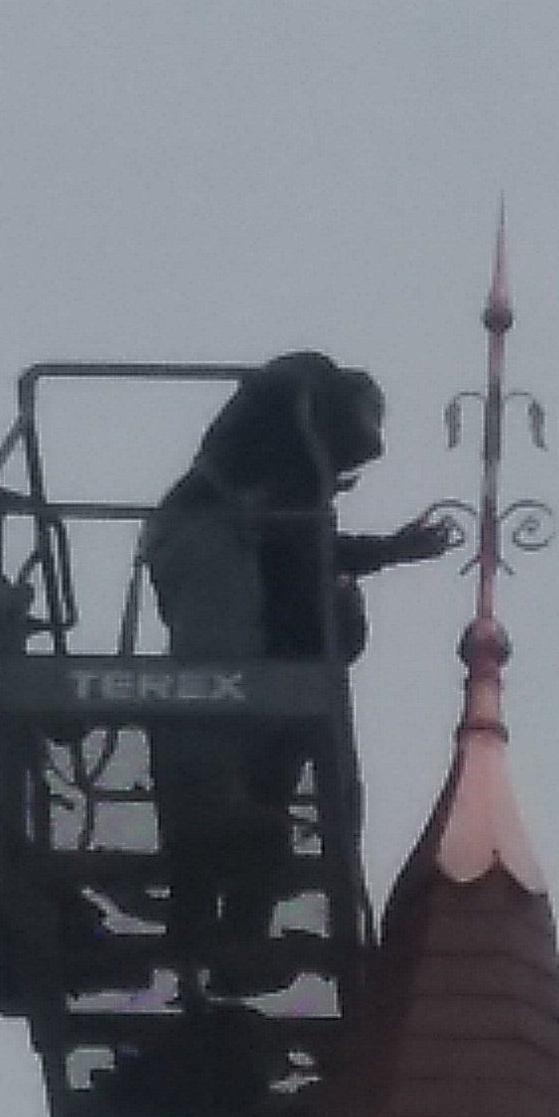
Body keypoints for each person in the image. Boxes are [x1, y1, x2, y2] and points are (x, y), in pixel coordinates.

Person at [140, 354, 451, 979]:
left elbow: (303, 552)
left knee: (256, 741)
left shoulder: (290, 505)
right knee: (215, 686)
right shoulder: (286, 430)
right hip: (209, 536)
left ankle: (230, 926)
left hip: (238, 581)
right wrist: (387, 550)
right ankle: (215, 907)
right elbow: (300, 542)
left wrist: (380, 555)